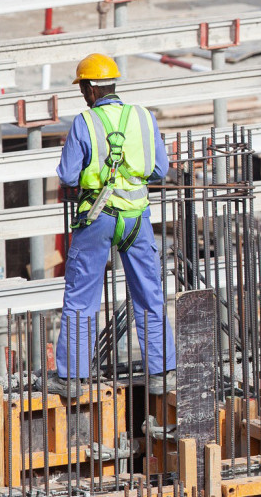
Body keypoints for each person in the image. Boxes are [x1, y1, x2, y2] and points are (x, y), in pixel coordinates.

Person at [46, 53, 176, 396]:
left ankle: (71, 379)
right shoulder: (144, 118)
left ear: (89, 89)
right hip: (137, 217)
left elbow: (68, 175)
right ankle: (162, 373)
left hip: (98, 216)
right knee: (149, 294)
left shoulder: (84, 123)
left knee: (81, 298)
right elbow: (160, 171)